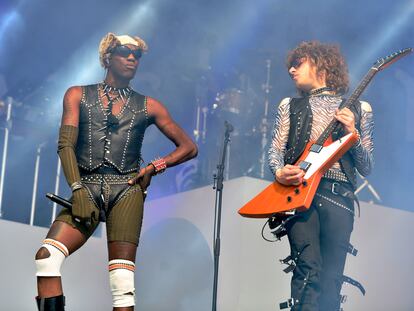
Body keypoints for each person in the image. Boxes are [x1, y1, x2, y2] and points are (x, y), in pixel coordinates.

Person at [34, 33, 198, 311]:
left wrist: (154, 167)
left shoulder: (150, 105)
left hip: (127, 191)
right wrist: (76, 189)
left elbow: (188, 147)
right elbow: (65, 146)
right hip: (85, 187)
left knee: (122, 282)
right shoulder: (77, 94)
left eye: (138, 55)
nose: (132, 58)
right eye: (125, 51)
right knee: (46, 256)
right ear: (108, 57)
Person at [268, 41, 374, 310]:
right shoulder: (289, 105)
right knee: (307, 270)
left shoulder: (362, 109)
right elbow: (275, 152)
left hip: (340, 196)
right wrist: (280, 172)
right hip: (300, 196)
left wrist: (354, 133)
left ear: (321, 64)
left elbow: (367, 166)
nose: (291, 70)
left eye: (298, 62)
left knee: (331, 280)